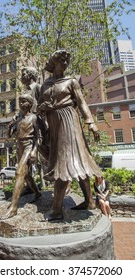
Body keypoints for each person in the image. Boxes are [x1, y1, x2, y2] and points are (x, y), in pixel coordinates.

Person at [37, 49, 102, 221]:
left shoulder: (71, 81)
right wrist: (42, 110)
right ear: (54, 62)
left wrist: (91, 122)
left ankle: (57, 209)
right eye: (61, 60)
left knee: (65, 162)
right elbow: (40, 107)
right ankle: (89, 201)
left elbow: (81, 102)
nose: (65, 64)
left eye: (67, 61)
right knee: (78, 161)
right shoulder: (45, 85)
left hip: (68, 121)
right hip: (53, 125)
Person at [2, 94, 41, 219]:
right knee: (27, 175)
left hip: (29, 146)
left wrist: (34, 151)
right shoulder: (18, 119)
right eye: (20, 101)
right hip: (19, 147)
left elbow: (39, 137)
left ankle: (13, 207)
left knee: (19, 172)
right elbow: (8, 136)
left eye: (23, 101)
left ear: (29, 104)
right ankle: (38, 192)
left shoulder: (34, 118)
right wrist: (10, 125)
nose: (21, 104)